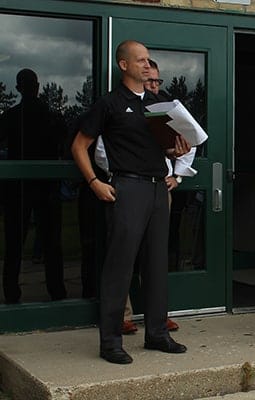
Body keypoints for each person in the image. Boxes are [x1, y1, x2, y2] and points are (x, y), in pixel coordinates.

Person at [70, 40, 190, 364]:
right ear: (124, 65)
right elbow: (79, 146)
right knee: (119, 267)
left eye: (149, 60)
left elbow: (163, 147)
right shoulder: (109, 104)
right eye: (140, 61)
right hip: (128, 188)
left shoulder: (157, 103)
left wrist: (175, 152)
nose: (147, 65)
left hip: (157, 189)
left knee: (156, 264)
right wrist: (95, 182)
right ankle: (110, 342)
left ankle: (157, 334)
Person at [119, 58, 194, 334]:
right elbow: (105, 150)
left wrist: (178, 175)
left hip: (160, 188)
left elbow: (191, 140)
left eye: (156, 81)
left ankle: (157, 316)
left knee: (156, 255)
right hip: (130, 186)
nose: (153, 86)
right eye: (148, 80)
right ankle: (122, 314)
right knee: (126, 254)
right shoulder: (120, 105)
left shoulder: (168, 107)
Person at [0, 68, 67, 304]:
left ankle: (11, 292)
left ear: (19, 88)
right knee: (51, 242)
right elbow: (66, 145)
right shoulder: (51, 116)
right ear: (37, 86)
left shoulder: (12, 116)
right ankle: (56, 291)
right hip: (44, 187)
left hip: (21, 187)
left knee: (15, 243)